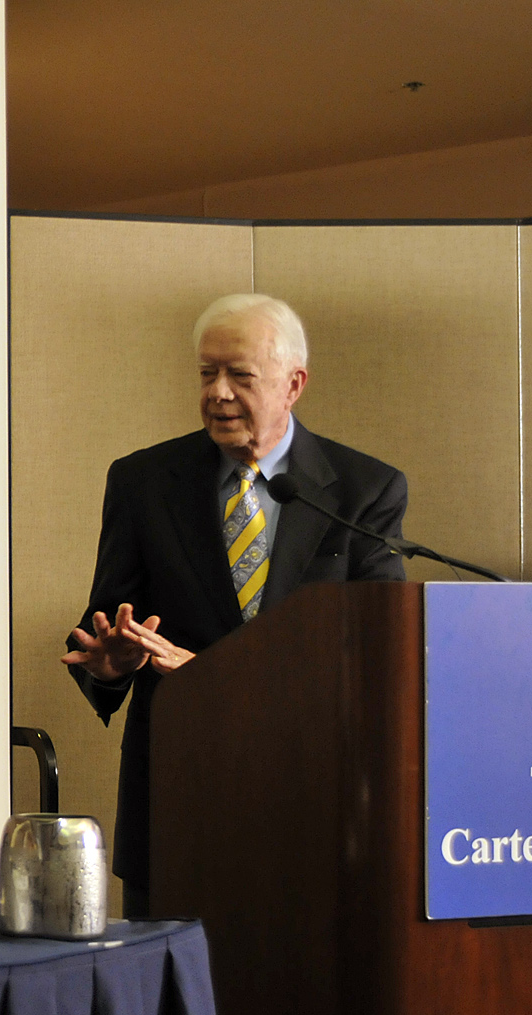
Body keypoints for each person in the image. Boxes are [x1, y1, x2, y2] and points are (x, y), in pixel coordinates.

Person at [61, 294, 407, 917]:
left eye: (240, 376)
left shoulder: (364, 489)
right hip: (176, 791)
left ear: (293, 383)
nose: (217, 393)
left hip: (310, 793)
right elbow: (111, 620)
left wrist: (222, 677)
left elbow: (377, 652)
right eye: (206, 373)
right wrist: (110, 664)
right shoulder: (143, 480)